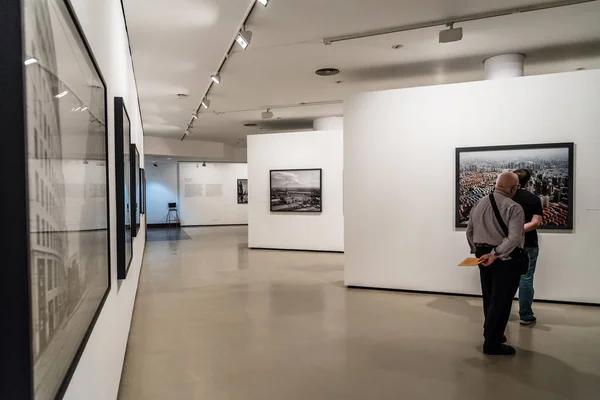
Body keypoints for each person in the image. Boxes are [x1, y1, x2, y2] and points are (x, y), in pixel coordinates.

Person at [466, 172, 525, 355]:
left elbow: (469, 231)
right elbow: (514, 238)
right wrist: (495, 253)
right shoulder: (514, 208)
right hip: (503, 258)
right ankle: (492, 344)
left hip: (482, 255)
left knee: (490, 297)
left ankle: (492, 334)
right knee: (502, 301)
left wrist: (478, 252)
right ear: (514, 188)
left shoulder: (479, 203)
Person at [512, 169, 543, 325]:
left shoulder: (504, 198)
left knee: (504, 279)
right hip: (529, 243)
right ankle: (525, 315)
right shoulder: (533, 199)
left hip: (505, 244)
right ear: (528, 181)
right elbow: (536, 222)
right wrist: (519, 230)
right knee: (526, 279)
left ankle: (501, 313)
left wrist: (511, 233)